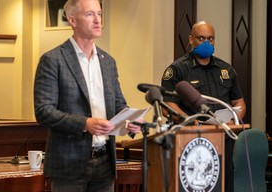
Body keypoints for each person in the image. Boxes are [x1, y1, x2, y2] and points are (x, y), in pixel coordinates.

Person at [34, 0, 141, 191]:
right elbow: (44, 111)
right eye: (90, 14)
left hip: (105, 162)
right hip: (69, 164)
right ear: (73, 20)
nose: (98, 20)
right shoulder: (53, 60)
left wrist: (129, 122)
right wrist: (84, 124)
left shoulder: (108, 62)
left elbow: (118, 105)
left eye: (99, 14)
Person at [161, 21, 246, 192]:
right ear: (191, 39)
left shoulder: (226, 70)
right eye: (201, 38)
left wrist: (235, 121)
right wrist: (192, 122)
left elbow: (239, 102)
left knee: (224, 185)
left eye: (210, 38)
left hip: (223, 140)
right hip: (192, 143)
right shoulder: (177, 70)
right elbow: (167, 106)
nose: (206, 43)